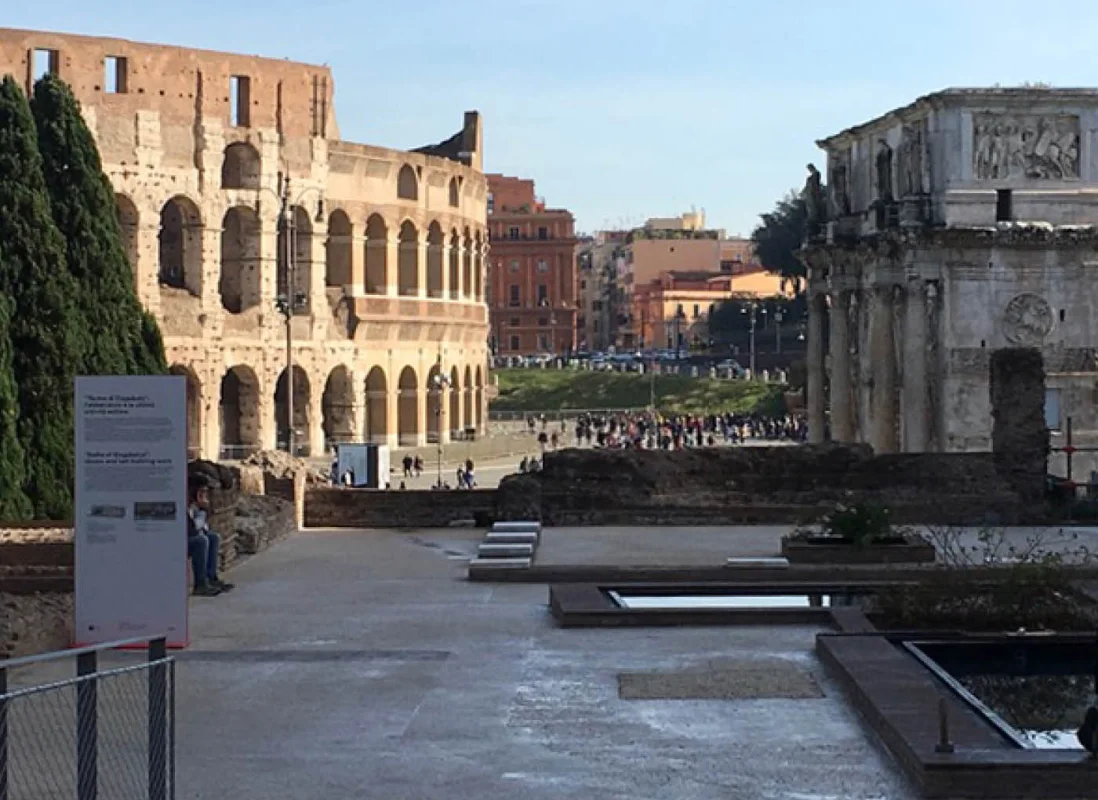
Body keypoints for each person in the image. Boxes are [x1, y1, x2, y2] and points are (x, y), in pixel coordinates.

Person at [187, 480, 234, 597]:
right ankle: (200, 584)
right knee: (201, 541)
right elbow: (191, 531)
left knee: (213, 537)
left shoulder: (196, 508)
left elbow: (205, 528)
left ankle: (211, 577)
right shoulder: (186, 508)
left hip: (192, 534)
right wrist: (199, 512)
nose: (204, 497)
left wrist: (204, 510)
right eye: (201, 494)